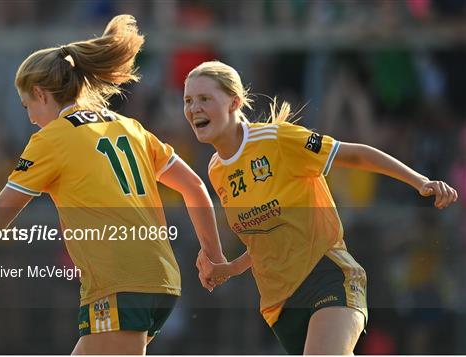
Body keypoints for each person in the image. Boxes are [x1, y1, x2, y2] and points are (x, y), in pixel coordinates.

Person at [0, 16, 226, 355]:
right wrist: (214, 255)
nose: (30, 117)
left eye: (27, 106)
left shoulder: (50, 139)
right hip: (161, 280)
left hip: (121, 283)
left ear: (40, 93)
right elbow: (194, 186)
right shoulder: (129, 127)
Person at [183, 60, 458, 354]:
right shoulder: (216, 170)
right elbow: (267, 237)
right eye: (188, 100)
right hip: (281, 306)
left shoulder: (277, 140)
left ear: (234, 102)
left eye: (204, 99)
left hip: (326, 277)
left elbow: (355, 154)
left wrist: (419, 181)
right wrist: (231, 268)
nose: (194, 108)